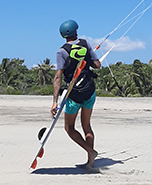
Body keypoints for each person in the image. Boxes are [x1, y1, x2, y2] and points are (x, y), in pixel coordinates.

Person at [50, 20, 101, 168]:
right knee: (86, 125)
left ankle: (90, 152)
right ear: (76, 31)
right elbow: (97, 65)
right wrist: (87, 60)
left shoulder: (61, 51)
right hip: (90, 90)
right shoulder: (85, 44)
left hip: (74, 94)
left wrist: (55, 102)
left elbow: (58, 76)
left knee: (69, 128)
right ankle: (90, 163)